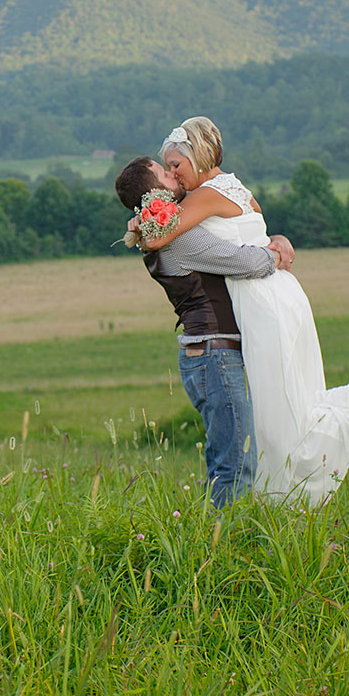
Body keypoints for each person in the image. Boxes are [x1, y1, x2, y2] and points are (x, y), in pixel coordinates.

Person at [139, 117, 349, 504]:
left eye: (176, 165)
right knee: (290, 403)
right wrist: (280, 240)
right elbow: (261, 231)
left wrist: (137, 220)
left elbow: (161, 235)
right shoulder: (237, 188)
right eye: (168, 167)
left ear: (200, 157)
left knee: (278, 422)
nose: (174, 173)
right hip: (281, 294)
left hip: (260, 301)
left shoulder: (203, 196)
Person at [113, 156, 291, 507]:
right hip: (214, 356)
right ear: (155, 192)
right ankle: (222, 546)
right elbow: (246, 263)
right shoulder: (177, 241)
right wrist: (275, 254)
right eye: (165, 173)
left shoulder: (167, 233)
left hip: (212, 355)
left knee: (231, 459)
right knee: (235, 464)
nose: (174, 175)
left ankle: (221, 539)